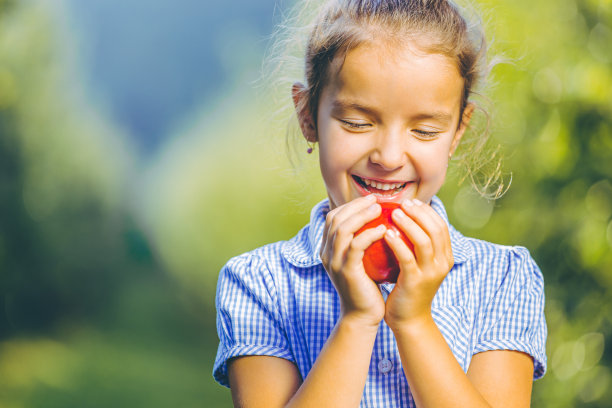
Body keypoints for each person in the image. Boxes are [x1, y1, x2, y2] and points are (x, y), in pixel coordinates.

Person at [213, 0, 547, 406]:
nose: (388, 157)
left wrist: (414, 321)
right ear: (307, 116)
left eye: (424, 130)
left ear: (458, 131)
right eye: (357, 123)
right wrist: (356, 320)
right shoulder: (258, 283)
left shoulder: (503, 280)